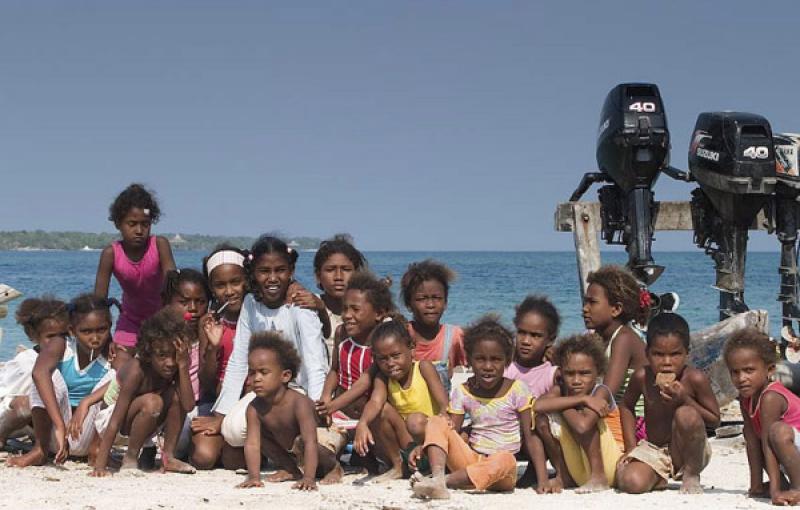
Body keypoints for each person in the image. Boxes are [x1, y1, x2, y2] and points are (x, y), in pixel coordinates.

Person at [210, 236, 328, 466]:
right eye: (264, 271)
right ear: (253, 273)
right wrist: (221, 414)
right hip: (266, 391)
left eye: (280, 270)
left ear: (291, 270)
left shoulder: (301, 304)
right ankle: (287, 463)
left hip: (299, 393)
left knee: (298, 428)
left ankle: (301, 453)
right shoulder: (251, 304)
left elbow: (316, 364)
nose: (273, 278)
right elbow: (239, 360)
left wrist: (316, 409)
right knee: (233, 431)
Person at [409, 315, 539, 500]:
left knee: (505, 459)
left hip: (501, 474)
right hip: (469, 460)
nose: (488, 366)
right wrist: (425, 443)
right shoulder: (463, 391)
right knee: (438, 420)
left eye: (495, 359)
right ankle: (437, 477)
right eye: (480, 359)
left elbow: (530, 436)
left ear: (507, 361)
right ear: (469, 360)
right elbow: (451, 430)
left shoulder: (518, 389)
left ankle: (443, 482)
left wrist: (541, 478)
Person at [616, 313, 720, 495]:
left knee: (686, 414)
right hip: (655, 449)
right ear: (647, 353)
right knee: (631, 482)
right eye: (658, 354)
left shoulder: (695, 379)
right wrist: (631, 448)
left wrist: (685, 400)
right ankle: (658, 477)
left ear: (687, 353)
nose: (666, 362)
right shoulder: (642, 377)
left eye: (675, 355)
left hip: (689, 451)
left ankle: (691, 474)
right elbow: (626, 406)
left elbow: (714, 420)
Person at [8, 294, 114, 467]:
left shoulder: (112, 354)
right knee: (46, 374)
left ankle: (98, 451)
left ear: (110, 327)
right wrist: (59, 425)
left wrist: (85, 402)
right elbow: (39, 373)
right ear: (72, 330)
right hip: (57, 436)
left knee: (116, 378)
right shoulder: (61, 344)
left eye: (101, 330)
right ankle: (40, 450)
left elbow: (129, 375)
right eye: (86, 331)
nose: (95, 338)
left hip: (86, 436)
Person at [90, 308, 196, 476]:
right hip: (111, 420)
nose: (169, 363)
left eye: (174, 355)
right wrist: (100, 465)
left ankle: (168, 457)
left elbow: (188, 405)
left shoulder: (177, 365)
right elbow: (114, 421)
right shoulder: (136, 371)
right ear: (148, 353)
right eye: (162, 355)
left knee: (177, 395)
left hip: (144, 419)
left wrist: (183, 366)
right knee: (153, 401)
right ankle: (130, 458)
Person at [236, 332, 343, 490]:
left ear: (285, 376)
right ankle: (291, 469)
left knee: (303, 441)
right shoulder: (254, 408)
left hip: (322, 441)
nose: (256, 378)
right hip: (296, 449)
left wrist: (309, 478)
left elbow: (310, 441)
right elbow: (252, 444)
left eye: (263, 372)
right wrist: (254, 477)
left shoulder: (300, 403)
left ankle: (334, 468)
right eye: (252, 373)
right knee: (260, 437)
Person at [353, 318, 449, 482]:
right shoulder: (383, 378)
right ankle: (398, 466)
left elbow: (444, 405)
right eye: (383, 359)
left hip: (430, 440)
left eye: (396, 356)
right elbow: (375, 402)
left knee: (415, 421)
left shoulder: (423, 368)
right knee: (381, 410)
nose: (390, 363)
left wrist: (438, 432)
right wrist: (362, 423)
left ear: (411, 349)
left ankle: (430, 465)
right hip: (406, 442)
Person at [94, 183, 176, 365]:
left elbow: (174, 288)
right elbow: (98, 303)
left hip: (162, 320)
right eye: (132, 224)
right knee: (119, 364)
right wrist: (106, 339)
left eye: (145, 224)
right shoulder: (111, 254)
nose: (139, 230)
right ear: (118, 223)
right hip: (129, 323)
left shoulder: (160, 245)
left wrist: (172, 326)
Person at [532, 333, 624, 493]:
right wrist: (581, 399)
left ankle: (598, 477)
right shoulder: (561, 390)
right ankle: (564, 476)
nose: (576, 380)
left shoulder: (600, 391)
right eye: (569, 373)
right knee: (541, 419)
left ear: (598, 372)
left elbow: (583, 426)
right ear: (561, 372)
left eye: (584, 373)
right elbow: (538, 405)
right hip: (579, 469)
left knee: (586, 418)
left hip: (611, 464)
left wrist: (569, 402)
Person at [724, 327, 800, 505]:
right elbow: (752, 441)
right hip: (793, 453)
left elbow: (768, 442)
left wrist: (774, 493)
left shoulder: (770, 397)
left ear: (770, 369)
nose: (742, 378)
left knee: (776, 432)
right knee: (751, 434)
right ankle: (779, 484)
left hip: (792, 445)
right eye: (735, 372)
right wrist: (756, 485)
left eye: (749, 370)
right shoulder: (746, 398)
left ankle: (796, 488)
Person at [190, 244, 249, 469]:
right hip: (214, 401)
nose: (229, 291)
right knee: (203, 459)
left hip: (248, 402)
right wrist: (213, 348)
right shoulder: (209, 322)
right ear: (212, 289)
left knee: (235, 462)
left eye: (236, 282)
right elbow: (206, 382)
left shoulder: (257, 316)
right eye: (220, 285)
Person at [315, 272, 394, 425]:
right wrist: (325, 399)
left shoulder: (382, 342)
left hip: (371, 418)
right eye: (345, 309)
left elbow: (365, 381)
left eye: (355, 310)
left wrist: (332, 406)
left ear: (379, 313)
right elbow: (334, 371)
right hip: (341, 414)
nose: (347, 315)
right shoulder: (341, 333)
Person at [583, 265, 648, 438]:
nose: (585, 308)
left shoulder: (623, 339)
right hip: (614, 414)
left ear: (616, 309)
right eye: (585, 302)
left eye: (592, 302)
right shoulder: (597, 338)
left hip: (636, 422)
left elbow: (607, 391)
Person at [0, 297, 70, 447]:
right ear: (34, 336)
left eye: (63, 335)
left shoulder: (70, 357)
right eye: (50, 337)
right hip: (15, 418)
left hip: (47, 418)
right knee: (25, 405)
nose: (58, 342)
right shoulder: (26, 361)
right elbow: (7, 394)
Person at [161, 268, 211, 457]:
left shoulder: (210, 335)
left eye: (200, 302)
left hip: (203, 406)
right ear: (168, 304)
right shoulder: (164, 338)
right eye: (183, 302)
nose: (192, 309)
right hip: (174, 409)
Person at [289, 234, 367, 350]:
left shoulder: (369, 311)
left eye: (346, 269)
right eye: (330, 270)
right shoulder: (308, 306)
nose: (338, 277)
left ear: (356, 274)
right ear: (318, 276)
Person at [400, 260, 466, 392]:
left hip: (441, 411)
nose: (430, 305)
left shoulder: (454, 336)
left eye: (436, 298)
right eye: (421, 299)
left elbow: (481, 363)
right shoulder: (400, 335)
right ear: (409, 304)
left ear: (445, 302)